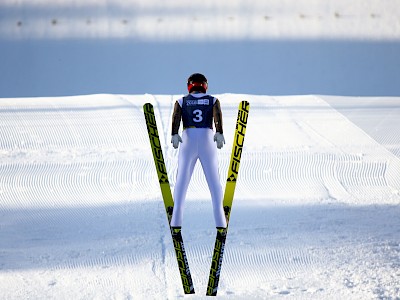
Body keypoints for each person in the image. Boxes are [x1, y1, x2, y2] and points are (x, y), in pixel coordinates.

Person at [170, 73, 227, 230]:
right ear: (205, 85)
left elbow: (176, 116)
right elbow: (217, 115)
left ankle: (176, 220)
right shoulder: (212, 100)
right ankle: (221, 221)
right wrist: (220, 132)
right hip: (207, 137)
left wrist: (174, 134)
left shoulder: (182, 101)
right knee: (214, 181)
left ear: (190, 85)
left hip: (188, 137)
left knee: (182, 180)